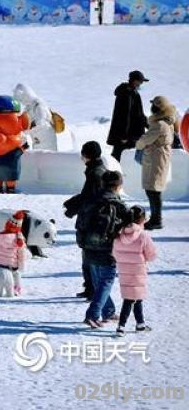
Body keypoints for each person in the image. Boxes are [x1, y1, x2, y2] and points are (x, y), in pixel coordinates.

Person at [77, 170, 128, 329]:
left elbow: (80, 224)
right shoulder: (119, 205)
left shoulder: (90, 201)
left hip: (89, 247)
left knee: (99, 281)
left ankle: (109, 311)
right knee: (106, 281)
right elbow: (129, 229)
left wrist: (82, 244)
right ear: (119, 186)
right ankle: (93, 315)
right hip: (109, 250)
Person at [63, 141, 107, 300]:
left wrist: (73, 208)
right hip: (91, 220)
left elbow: (91, 199)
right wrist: (73, 202)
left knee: (90, 256)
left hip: (92, 221)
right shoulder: (96, 171)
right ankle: (90, 288)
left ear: (87, 156)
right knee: (87, 256)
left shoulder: (95, 173)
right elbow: (87, 195)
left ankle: (92, 289)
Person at [112, 205, 157, 336]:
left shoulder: (118, 234)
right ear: (141, 219)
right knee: (132, 299)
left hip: (124, 271)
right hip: (138, 272)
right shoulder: (143, 236)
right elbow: (152, 255)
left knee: (134, 297)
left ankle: (140, 324)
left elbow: (115, 253)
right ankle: (121, 326)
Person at [135, 95, 177, 230]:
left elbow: (143, 141)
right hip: (159, 160)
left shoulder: (159, 125)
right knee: (154, 190)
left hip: (155, 161)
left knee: (153, 191)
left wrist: (140, 145)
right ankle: (155, 219)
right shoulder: (167, 123)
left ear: (158, 108)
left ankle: (156, 220)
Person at [107, 70, 148, 163]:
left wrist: (150, 125)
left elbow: (139, 114)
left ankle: (115, 173)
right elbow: (125, 115)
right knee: (118, 156)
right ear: (134, 81)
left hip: (129, 134)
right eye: (140, 81)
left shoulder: (132, 92)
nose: (141, 84)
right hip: (127, 134)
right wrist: (123, 135)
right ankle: (113, 174)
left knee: (120, 155)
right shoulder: (127, 93)